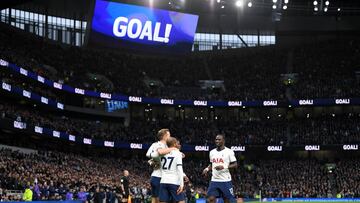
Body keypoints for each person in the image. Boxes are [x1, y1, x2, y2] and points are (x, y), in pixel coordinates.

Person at [202, 134, 237, 203]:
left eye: (219, 139)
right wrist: (207, 169)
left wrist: (224, 166)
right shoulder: (212, 152)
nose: (217, 141)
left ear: (223, 141)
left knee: (227, 200)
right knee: (209, 199)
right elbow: (211, 164)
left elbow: (235, 164)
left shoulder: (229, 151)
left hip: (225, 180)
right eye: (216, 139)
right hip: (214, 180)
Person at [146, 129, 177, 203]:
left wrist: (154, 160)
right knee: (159, 200)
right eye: (169, 135)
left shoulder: (165, 146)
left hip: (160, 176)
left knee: (155, 199)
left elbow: (149, 155)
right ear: (164, 136)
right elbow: (150, 154)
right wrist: (154, 160)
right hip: (159, 177)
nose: (170, 136)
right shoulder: (159, 144)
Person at [159, 137, 185, 203]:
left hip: (163, 181)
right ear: (174, 144)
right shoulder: (177, 153)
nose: (177, 144)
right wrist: (181, 184)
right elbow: (179, 169)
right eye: (176, 142)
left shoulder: (162, 153)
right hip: (174, 181)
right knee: (181, 201)